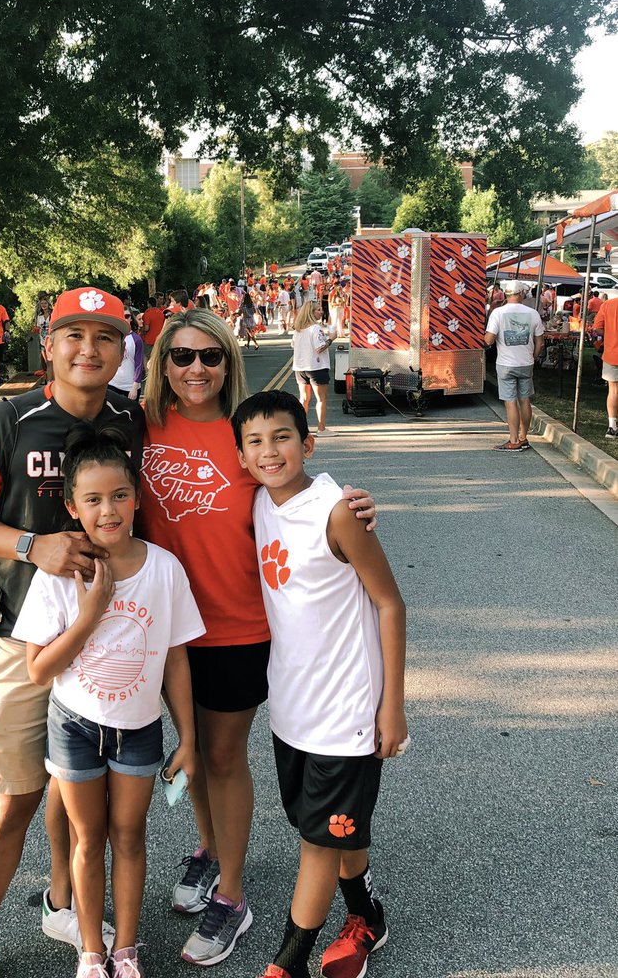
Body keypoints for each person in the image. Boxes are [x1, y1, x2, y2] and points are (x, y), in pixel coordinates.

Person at [138, 309, 377, 968]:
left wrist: (351, 507)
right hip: (167, 630)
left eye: (210, 357)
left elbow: (298, 491)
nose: (195, 369)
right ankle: (210, 851)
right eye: (181, 356)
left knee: (220, 757)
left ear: (227, 362)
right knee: (193, 754)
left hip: (237, 626)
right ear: (163, 361)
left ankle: (233, 898)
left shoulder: (244, 431)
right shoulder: (143, 426)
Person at [0, 288, 144, 978]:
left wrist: (325, 500)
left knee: (76, 785)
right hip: (22, 639)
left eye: (106, 337)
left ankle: (63, 902)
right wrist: (34, 546)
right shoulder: (8, 420)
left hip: (108, 637)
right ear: (49, 343)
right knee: (15, 796)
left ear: (123, 349)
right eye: (74, 335)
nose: (90, 349)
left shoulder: (130, 418)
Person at [15, 422, 206, 978]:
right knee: (87, 836)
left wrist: (188, 738)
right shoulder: (60, 575)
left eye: (120, 496)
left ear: (138, 499)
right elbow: (37, 670)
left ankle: (125, 948)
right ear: (72, 508)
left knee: (129, 835)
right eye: (93, 499)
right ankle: (91, 952)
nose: (109, 510)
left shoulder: (164, 569)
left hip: (139, 727)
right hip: (74, 724)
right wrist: (92, 612)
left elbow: (175, 658)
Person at [232, 390, 406, 978]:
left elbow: (389, 602)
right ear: (242, 458)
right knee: (331, 828)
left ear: (307, 442)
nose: (269, 451)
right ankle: (367, 916)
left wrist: (393, 708)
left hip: (345, 712)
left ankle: (289, 961)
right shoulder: (261, 503)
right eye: (254, 442)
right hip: (291, 707)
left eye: (282, 437)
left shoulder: (336, 511)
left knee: (318, 843)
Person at [484, 280, 545, 452]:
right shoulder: (533, 313)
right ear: (520, 294)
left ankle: (513, 440)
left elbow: (489, 340)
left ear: (506, 294)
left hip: (505, 364)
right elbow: (540, 343)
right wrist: (532, 357)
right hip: (526, 363)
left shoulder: (498, 313)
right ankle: (524, 437)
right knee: (525, 400)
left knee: (510, 402)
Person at [291, 302, 334, 433]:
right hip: (316, 366)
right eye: (318, 310)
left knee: (304, 399)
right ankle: (321, 428)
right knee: (321, 399)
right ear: (311, 312)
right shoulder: (315, 328)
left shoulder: (298, 329)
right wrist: (331, 339)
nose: (321, 312)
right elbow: (319, 347)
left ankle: (302, 429)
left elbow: (293, 345)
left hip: (300, 367)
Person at [592, 293, 618, 440]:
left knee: (613, 391)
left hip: (612, 353)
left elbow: (597, 328)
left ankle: (612, 426)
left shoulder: (608, 304)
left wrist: (611, 333)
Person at [110, 311, 145, 401]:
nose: (125, 318)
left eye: (127, 316)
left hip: (129, 386)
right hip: (112, 384)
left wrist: (134, 387)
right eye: (122, 316)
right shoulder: (113, 336)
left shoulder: (136, 339)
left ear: (131, 318)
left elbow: (139, 365)